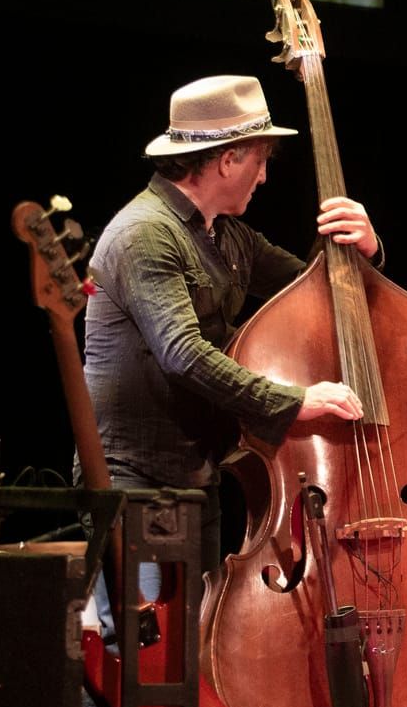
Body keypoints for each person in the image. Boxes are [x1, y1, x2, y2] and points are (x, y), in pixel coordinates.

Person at [82, 74, 376, 631]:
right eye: (259, 160)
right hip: (131, 481)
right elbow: (183, 353)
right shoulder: (145, 233)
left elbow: (315, 296)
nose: (264, 177)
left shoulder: (229, 236)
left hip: (197, 478)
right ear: (227, 159)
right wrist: (295, 402)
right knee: (137, 656)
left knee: (190, 658)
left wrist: (362, 246)